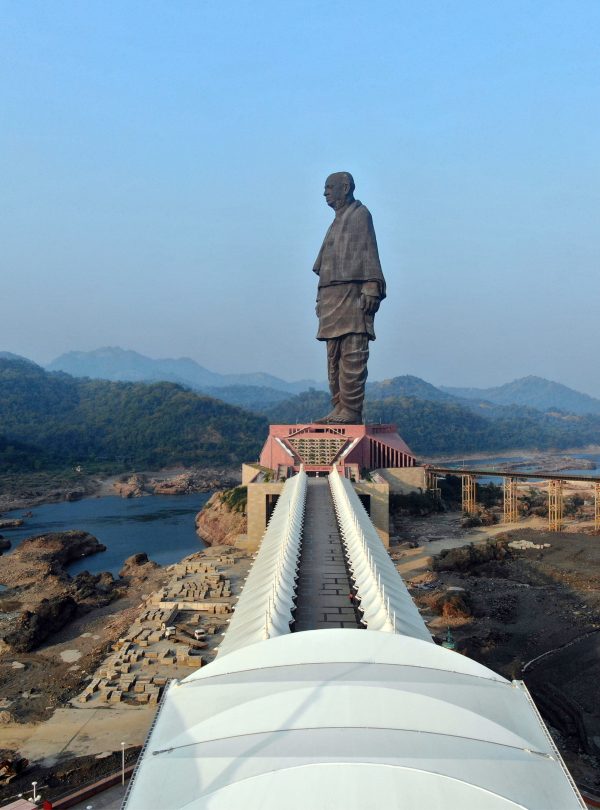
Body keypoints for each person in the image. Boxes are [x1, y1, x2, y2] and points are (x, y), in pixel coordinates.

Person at [313, 172, 386, 423]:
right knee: (333, 356)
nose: (325, 192)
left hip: (352, 294)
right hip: (331, 295)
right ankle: (338, 406)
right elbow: (324, 266)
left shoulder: (360, 215)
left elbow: (369, 253)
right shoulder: (335, 222)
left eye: (328, 187)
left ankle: (351, 410)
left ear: (344, 188)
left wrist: (371, 286)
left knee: (353, 352)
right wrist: (319, 298)